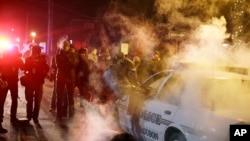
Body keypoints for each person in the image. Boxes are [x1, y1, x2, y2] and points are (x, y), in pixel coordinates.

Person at [23, 45, 49, 124]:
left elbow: (46, 68)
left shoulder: (42, 59)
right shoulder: (28, 59)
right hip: (30, 82)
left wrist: (43, 73)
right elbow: (25, 68)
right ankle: (29, 116)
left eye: (37, 53)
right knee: (29, 100)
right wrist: (29, 71)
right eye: (34, 53)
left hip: (39, 82)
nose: (35, 55)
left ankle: (35, 117)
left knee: (37, 101)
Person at [0, 46, 24, 129]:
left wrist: (20, 58)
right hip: (6, 81)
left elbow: (22, 67)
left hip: (8, 81)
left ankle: (9, 117)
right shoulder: (8, 58)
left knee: (8, 100)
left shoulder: (9, 57)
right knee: (3, 101)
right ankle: (11, 117)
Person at [54, 40, 78, 123]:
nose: (65, 47)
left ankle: (71, 117)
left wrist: (69, 58)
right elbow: (59, 66)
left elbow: (75, 64)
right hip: (61, 78)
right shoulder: (58, 55)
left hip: (70, 78)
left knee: (70, 98)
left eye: (67, 46)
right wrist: (69, 63)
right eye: (64, 46)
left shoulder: (73, 55)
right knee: (59, 98)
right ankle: (58, 117)